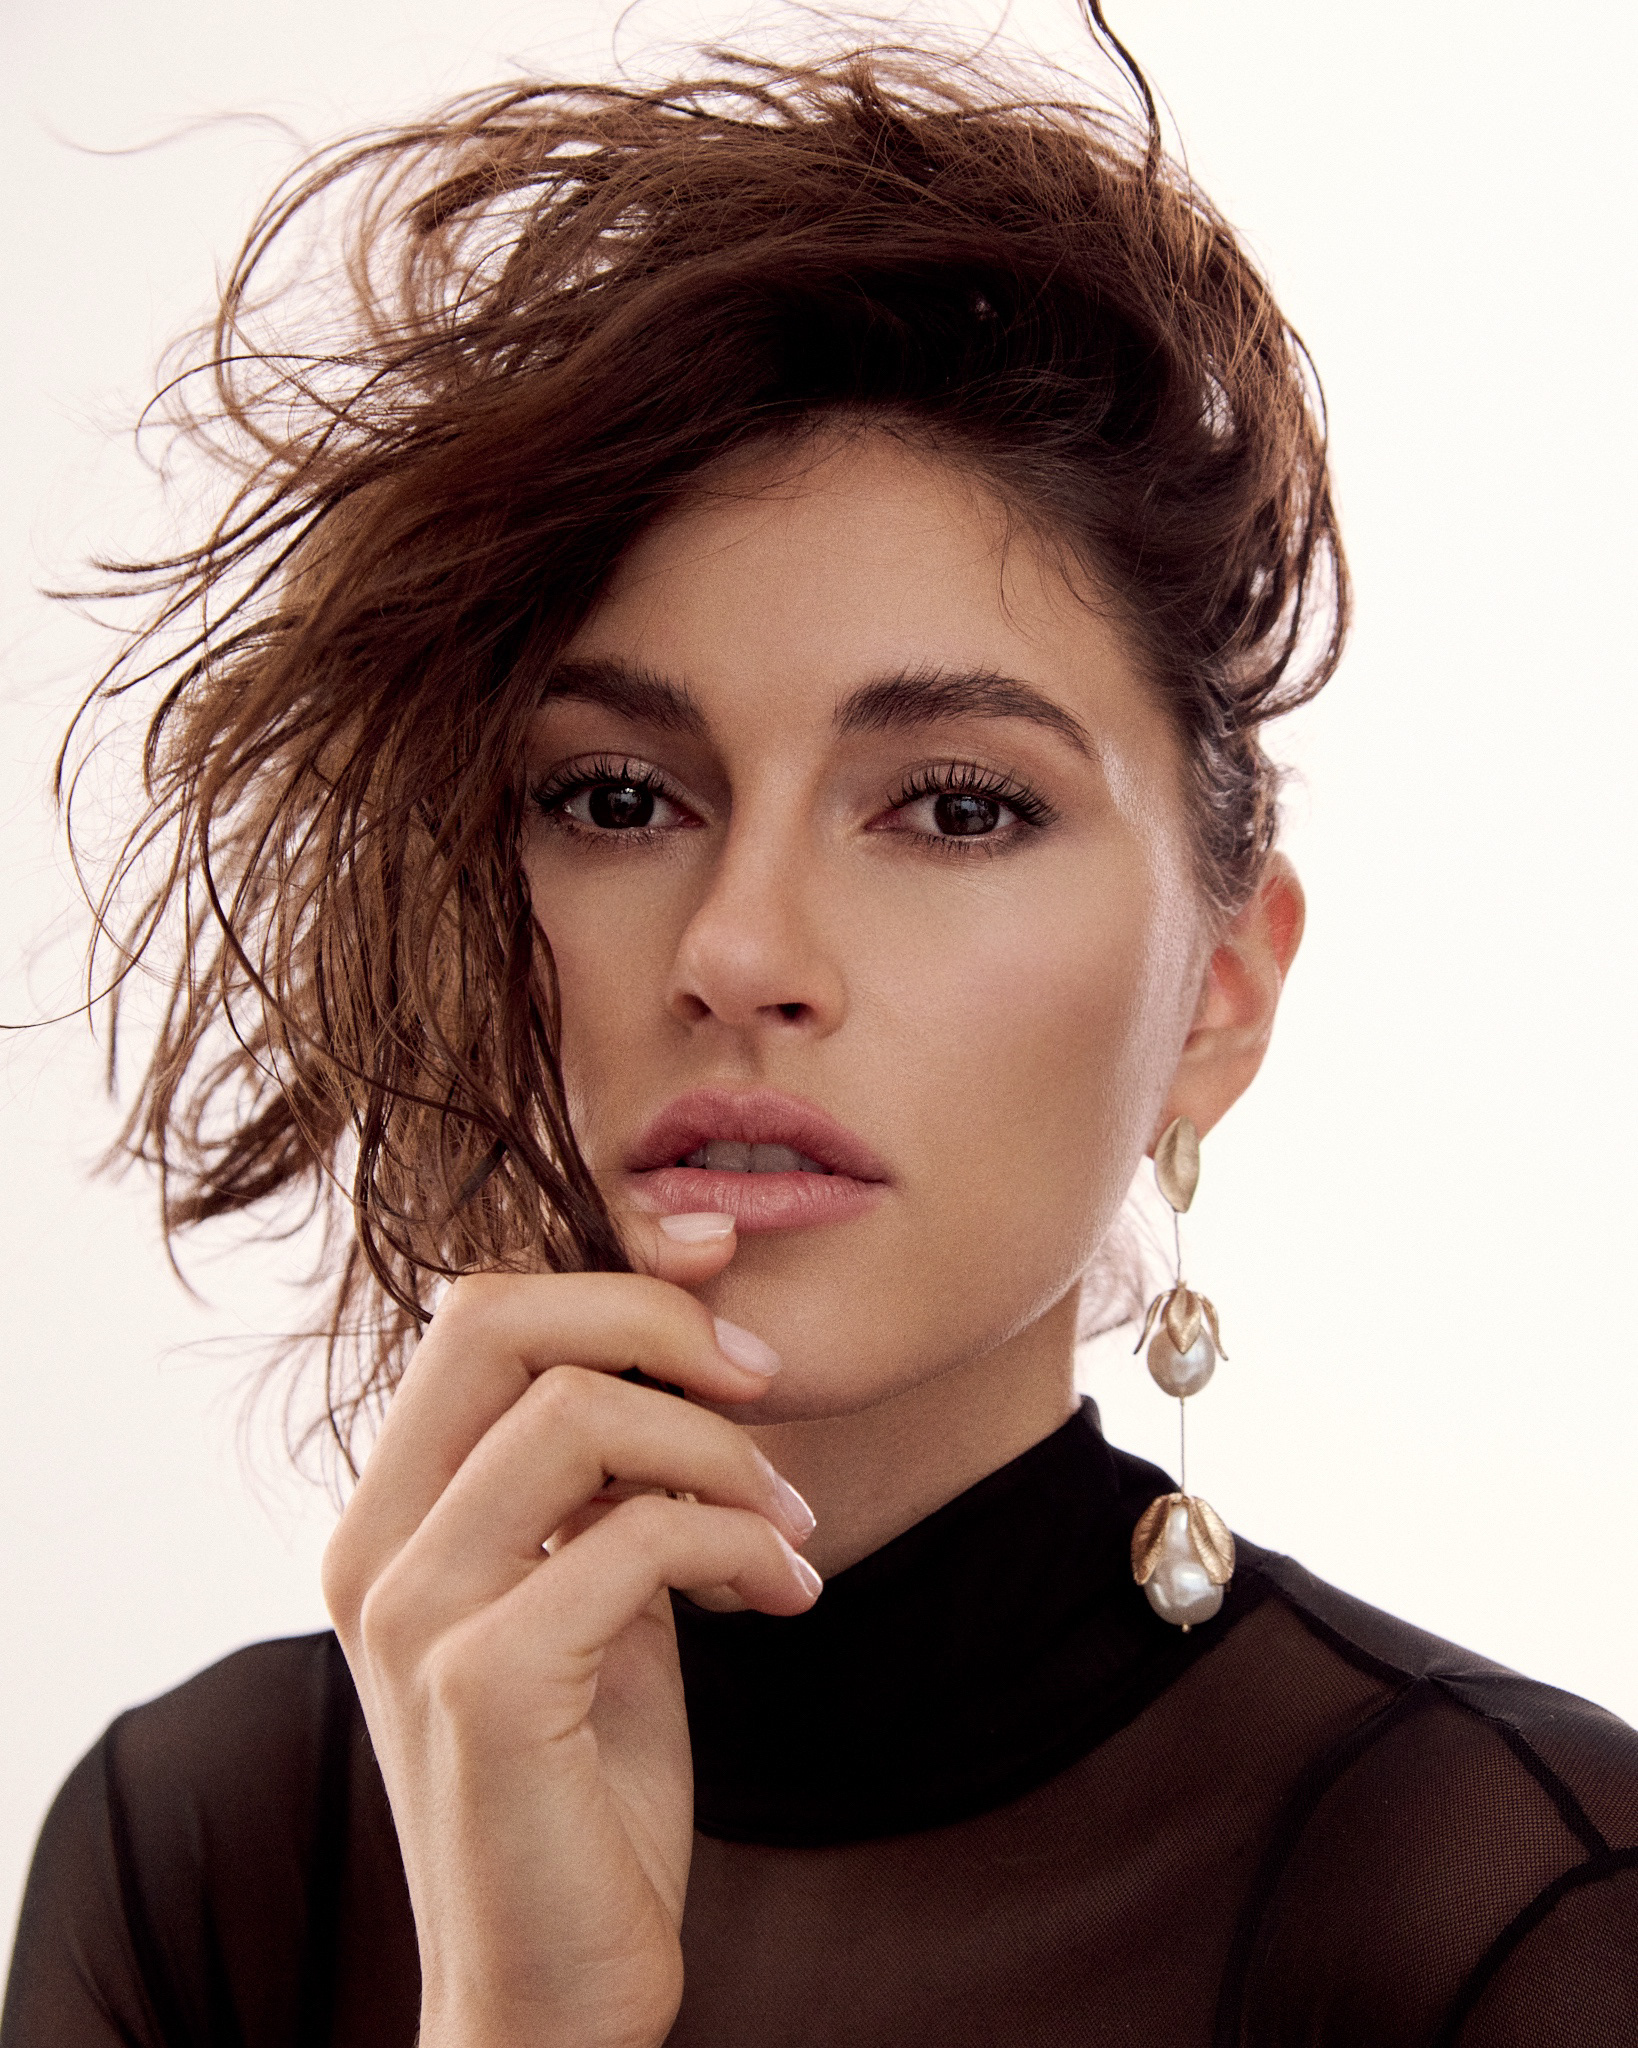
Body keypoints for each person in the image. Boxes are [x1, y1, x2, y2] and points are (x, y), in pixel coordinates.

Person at [4, 18, 1636, 2047]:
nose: (739, 947)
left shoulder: (1505, 1904)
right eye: (617, 798)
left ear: (1220, 993)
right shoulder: (209, 1848)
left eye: (954, 807)